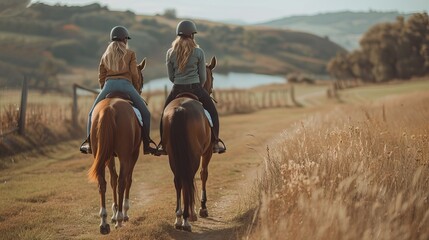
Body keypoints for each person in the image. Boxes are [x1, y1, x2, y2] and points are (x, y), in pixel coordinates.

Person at [80, 25, 157, 155]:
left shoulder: (105, 55)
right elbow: (134, 73)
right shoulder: (130, 54)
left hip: (108, 85)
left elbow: (101, 75)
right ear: (125, 40)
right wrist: (135, 85)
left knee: (91, 114)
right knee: (146, 113)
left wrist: (104, 88)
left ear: (112, 40)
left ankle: (89, 143)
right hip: (127, 85)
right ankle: (147, 144)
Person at [158, 20, 226, 154]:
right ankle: (216, 142)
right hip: (195, 87)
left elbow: (171, 77)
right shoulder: (198, 52)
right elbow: (203, 76)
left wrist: (179, 81)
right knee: (212, 112)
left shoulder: (170, 52)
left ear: (178, 35)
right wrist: (198, 87)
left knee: (164, 114)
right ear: (192, 35)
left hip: (176, 88)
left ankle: (162, 144)